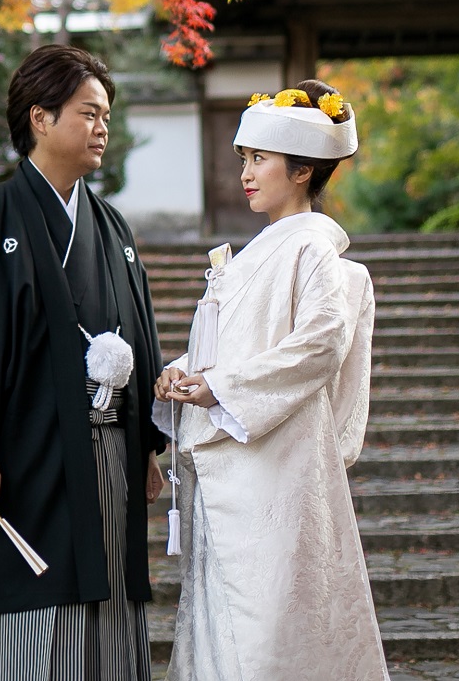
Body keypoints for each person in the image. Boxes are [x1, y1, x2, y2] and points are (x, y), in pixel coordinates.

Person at [0, 43, 167, 681]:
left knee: (107, 607)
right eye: (89, 112)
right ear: (40, 118)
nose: (103, 127)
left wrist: (144, 447)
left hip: (106, 461)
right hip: (24, 458)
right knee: (32, 617)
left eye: (107, 114)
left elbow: (138, 334)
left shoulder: (112, 228)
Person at [154, 80, 386, 681]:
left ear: (304, 170)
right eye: (245, 160)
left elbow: (320, 343)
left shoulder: (313, 250)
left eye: (260, 160)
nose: (247, 174)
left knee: (268, 630)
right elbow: (227, 352)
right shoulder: (257, 252)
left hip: (279, 467)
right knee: (227, 618)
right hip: (236, 459)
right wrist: (186, 372)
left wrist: (223, 387)